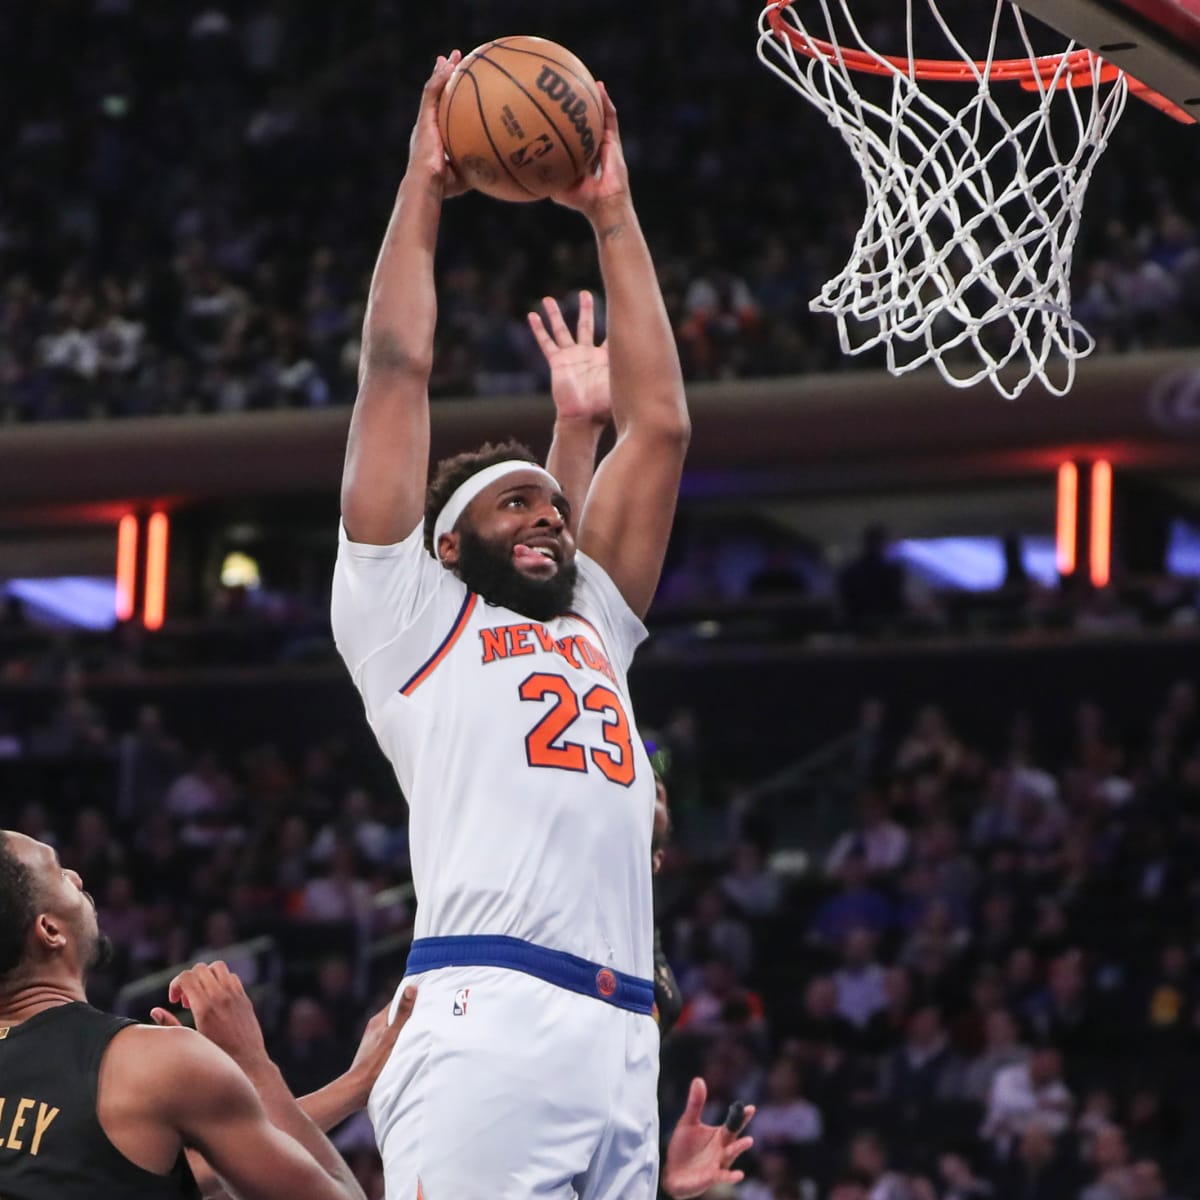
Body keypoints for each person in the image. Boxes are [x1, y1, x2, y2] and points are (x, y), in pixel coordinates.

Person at [332, 49, 692, 1198]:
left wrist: (614, 213)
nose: (547, 517)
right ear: (449, 544)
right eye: (514, 504)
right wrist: (422, 191)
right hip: (488, 1016)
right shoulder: (406, 617)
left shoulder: (593, 621)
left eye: (551, 501)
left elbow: (665, 429)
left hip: (622, 1025)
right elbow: (396, 367)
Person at [0, 830, 371, 1200]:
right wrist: (252, 1065)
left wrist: (350, 1090)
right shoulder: (150, 1064)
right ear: (50, 930)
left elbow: (191, 1158)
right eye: (58, 871)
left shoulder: (149, 1075)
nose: (77, 877)